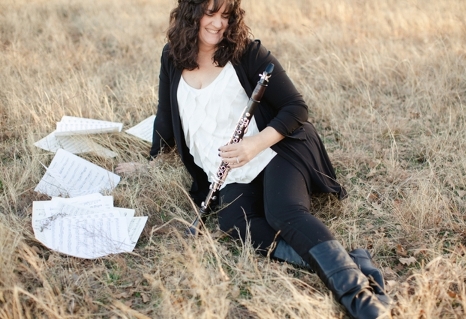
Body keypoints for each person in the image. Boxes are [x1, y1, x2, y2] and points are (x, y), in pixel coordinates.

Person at [116, 0, 391, 318]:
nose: (219, 24)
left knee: (283, 213)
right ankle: (352, 262)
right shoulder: (172, 56)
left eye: (225, 15)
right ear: (190, 12)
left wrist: (255, 144)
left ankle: (360, 300)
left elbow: (296, 108)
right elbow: (165, 117)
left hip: (276, 148)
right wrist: (150, 163)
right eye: (210, 13)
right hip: (232, 168)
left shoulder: (247, 53)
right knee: (233, 224)